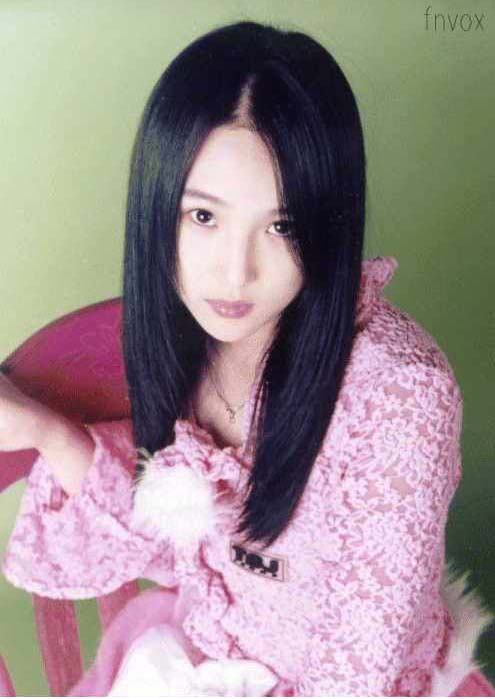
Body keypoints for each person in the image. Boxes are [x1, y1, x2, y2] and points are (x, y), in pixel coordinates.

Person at [0, 19, 493, 697]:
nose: (235, 273)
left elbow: (354, 675)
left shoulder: (399, 395)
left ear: (329, 224)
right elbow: (177, 541)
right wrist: (48, 432)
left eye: (282, 226)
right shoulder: (188, 333)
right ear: (158, 208)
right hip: (214, 656)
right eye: (203, 217)